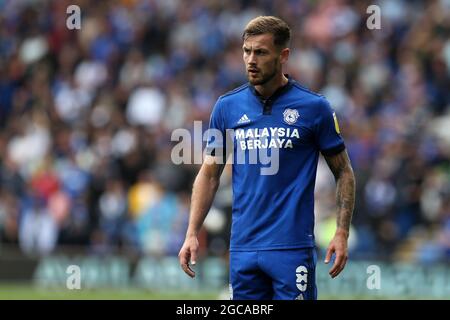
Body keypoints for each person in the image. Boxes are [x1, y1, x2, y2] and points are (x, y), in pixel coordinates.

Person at [178, 16, 355, 300]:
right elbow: (210, 174)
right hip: (242, 248)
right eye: (247, 51)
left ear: (283, 55)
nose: (251, 60)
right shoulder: (226, 107)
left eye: (260, 52)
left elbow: (344, 171)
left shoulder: (315, 108)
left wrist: (341, 232)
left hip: (291, 248)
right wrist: (192, 232)